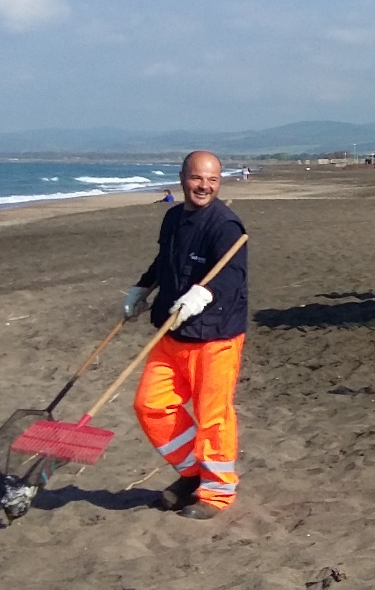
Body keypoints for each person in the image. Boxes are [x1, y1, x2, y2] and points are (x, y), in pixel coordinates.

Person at [122, 151, 248, 519]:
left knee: (213, 416)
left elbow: (231, 276)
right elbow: (166, 261)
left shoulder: (226, 225)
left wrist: (204, 294)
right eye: (197, 178)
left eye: (212, 180)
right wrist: (142, 288)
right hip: (172, 330)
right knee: (150, 405)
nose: (204, 186)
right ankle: (194, 472)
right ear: (182, 177)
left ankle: (217, 492)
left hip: (215, 336)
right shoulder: (173, 217)